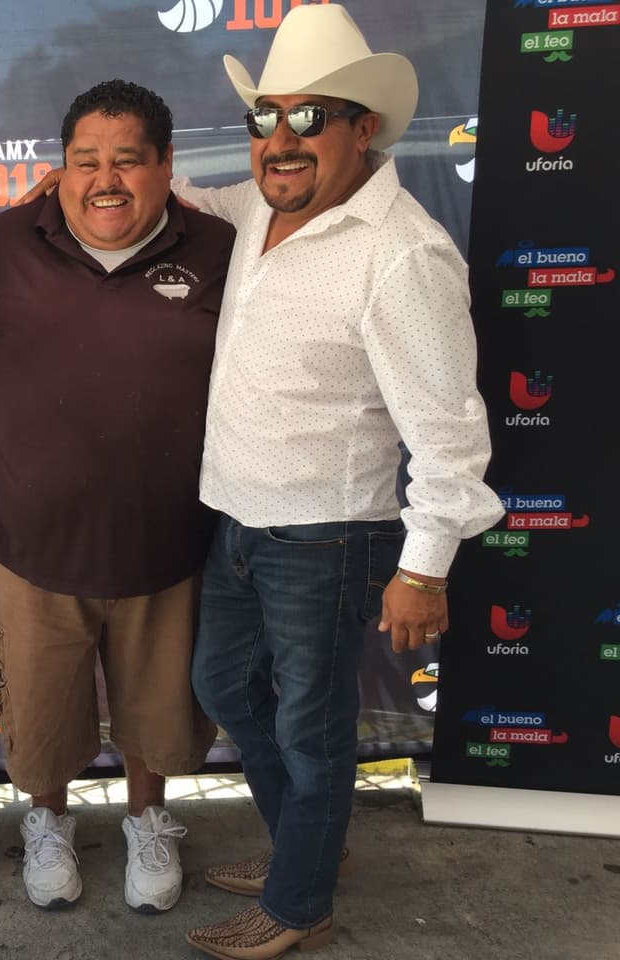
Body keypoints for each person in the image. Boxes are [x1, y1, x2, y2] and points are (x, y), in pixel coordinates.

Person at [169, 7, 504, 958]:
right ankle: (304, 854)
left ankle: (299, 901)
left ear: (366, 128)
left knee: (313, 733)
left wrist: (426, 568)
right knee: (226, 687)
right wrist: (75, 181)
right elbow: (180, 193)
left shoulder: (403, 254)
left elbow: (450, 434)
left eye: (309, 118)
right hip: (235, 517)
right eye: (265, 117)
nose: (280, 141)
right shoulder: (254, 209)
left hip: (326, 537)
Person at [0, 79, 233, 914]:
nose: (106, 180)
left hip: (167, 544)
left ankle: (147, 819)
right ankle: (46, 823)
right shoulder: (1, 245)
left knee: (159, 719)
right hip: (36, 546)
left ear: (167, 165)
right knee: (43, 719)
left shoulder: (220, 251)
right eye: (85, 161)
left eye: (128, 159)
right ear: (60, 170)